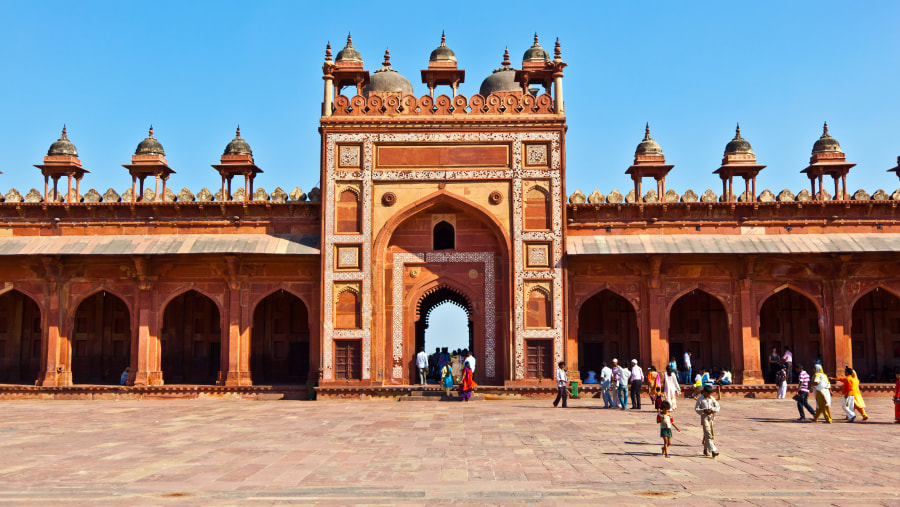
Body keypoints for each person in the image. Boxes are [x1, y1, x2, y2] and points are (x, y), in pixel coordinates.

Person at [694, 384, 720, 458]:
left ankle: (705, 450)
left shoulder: (712, 398)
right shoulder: (700, 399)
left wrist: (712, 410)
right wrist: (703, 410)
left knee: (710, 433)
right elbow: (696, 409)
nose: (708, 394)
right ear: (704, 392)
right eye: (707, 393)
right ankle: (713, 450)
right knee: (708, 433)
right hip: (704, 417)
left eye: (709, 393)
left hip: (711, 417)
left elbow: (717, 406)